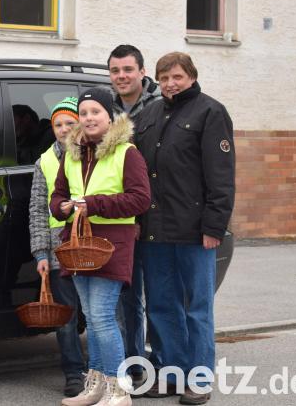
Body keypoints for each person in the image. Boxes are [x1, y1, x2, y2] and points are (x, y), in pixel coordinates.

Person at [134, 52, 235, 405]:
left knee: (198, 307)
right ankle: (172, 374)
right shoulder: (148, 114)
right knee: (162, 306)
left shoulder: (211, 112)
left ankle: (200, 379)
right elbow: (137, 176)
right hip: (154, 229)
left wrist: (214, 226)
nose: (169, 83)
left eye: (176, 76)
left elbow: (221, 178)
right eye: (163, 78)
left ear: (191, 76)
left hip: (194, 231)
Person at [51, 88, 151, 406]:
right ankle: (96, 384)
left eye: (95, 112)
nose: (89, 118)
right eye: (84, 113)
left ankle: (118, 389)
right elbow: (57, 196)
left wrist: (93, 204)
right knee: (92, 318)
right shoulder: (71, 153)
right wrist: (62, 207)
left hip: (111, 245)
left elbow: (141, 198)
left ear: (109, 117)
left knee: (104, 316)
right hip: (78, 244)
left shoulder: (126, 152)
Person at [106, 44, 162, 385]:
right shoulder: (104, 106)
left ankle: (161, 360)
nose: (122, 76)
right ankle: (132, 362)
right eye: (115, 71)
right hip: (117, 218)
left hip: (154, 217)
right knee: (125, 295)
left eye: (128, 69)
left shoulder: (159, 107)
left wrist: (142, 219)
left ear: (142, 71)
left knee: (156, 294)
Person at [28, 97, 85, 397]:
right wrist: (40, 253)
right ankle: (74, 373)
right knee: (66, 317)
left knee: (101, 314)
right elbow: (37, 209)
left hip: (88, 249)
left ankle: (106, 369)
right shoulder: (45, 161)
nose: (63, 129)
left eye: (69, 123)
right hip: (57, 250)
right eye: (57, 124)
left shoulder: (91, 155)